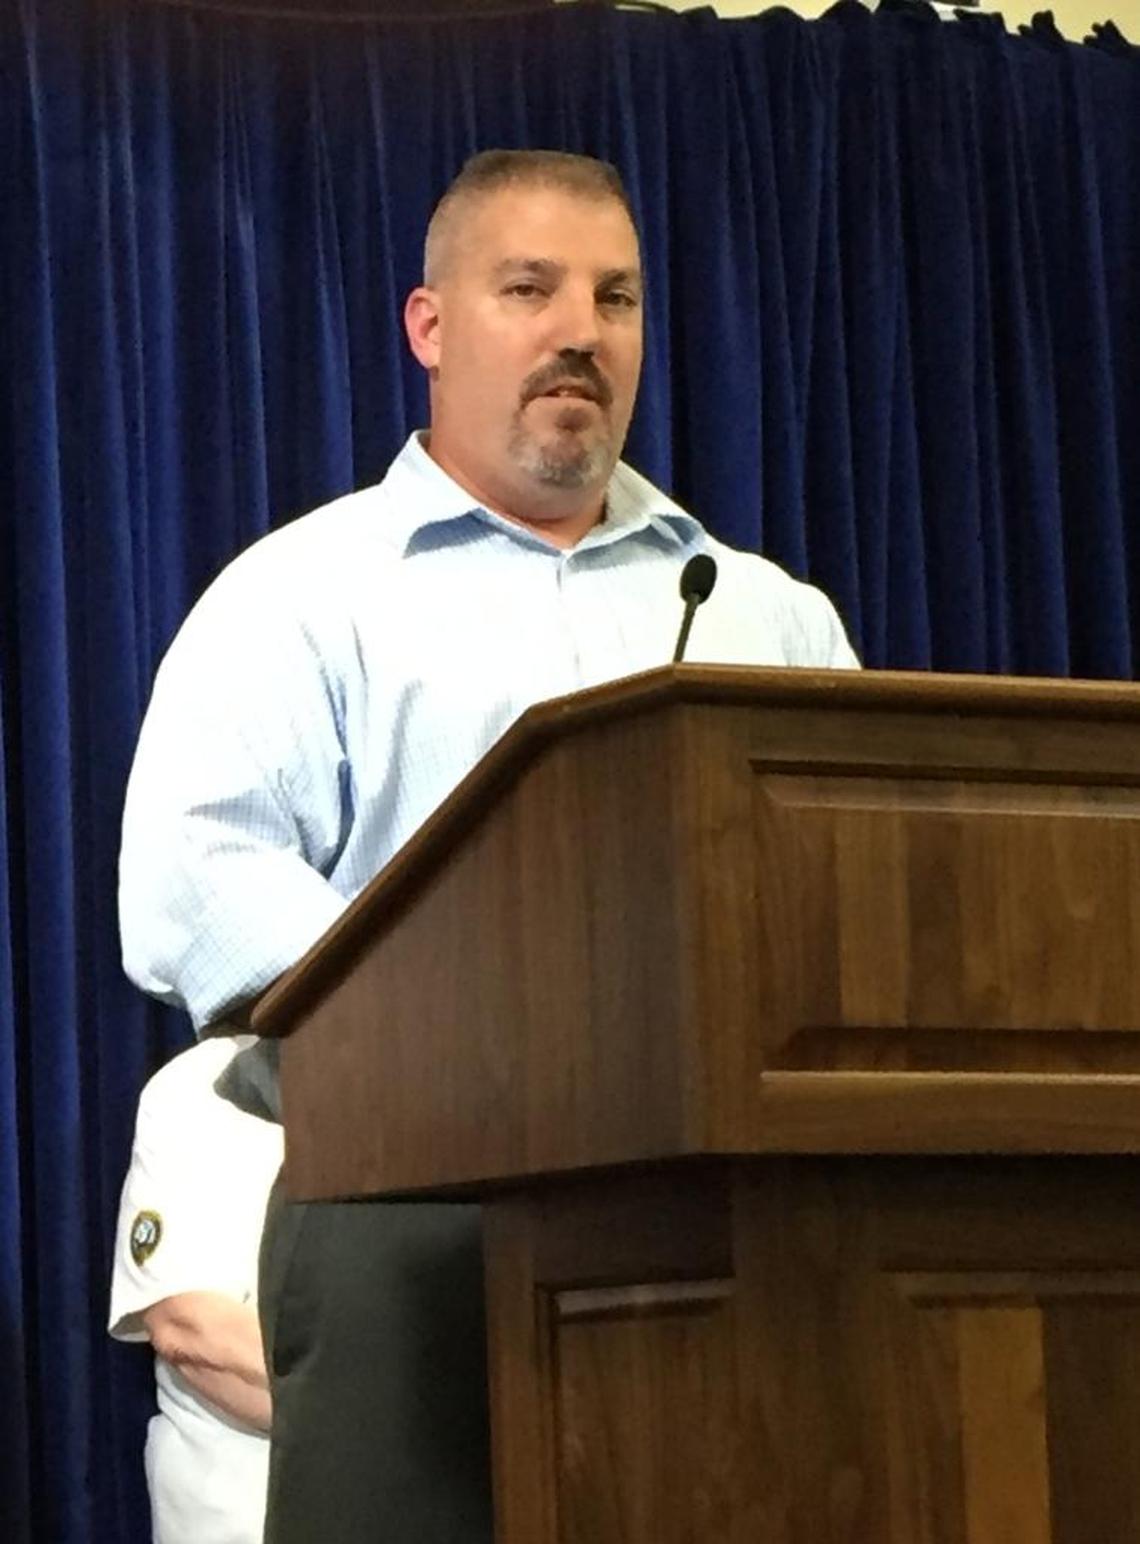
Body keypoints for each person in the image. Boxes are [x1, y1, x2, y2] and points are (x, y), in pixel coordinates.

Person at [118, 148, 859, 1544]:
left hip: (736, 1219)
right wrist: (485, 1013)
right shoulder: (300, 597)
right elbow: (192, 888)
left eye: (616, 297)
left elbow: (860, 895)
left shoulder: (766, 615)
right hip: (413, 1210)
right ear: (430, 325)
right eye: (530, 289)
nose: (582, 329)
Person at [108, 1035, 283, 1544]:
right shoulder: (202, 1085)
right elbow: (192, 1331)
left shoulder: (421, 1074)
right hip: (243, 1514)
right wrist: (384, 1417)